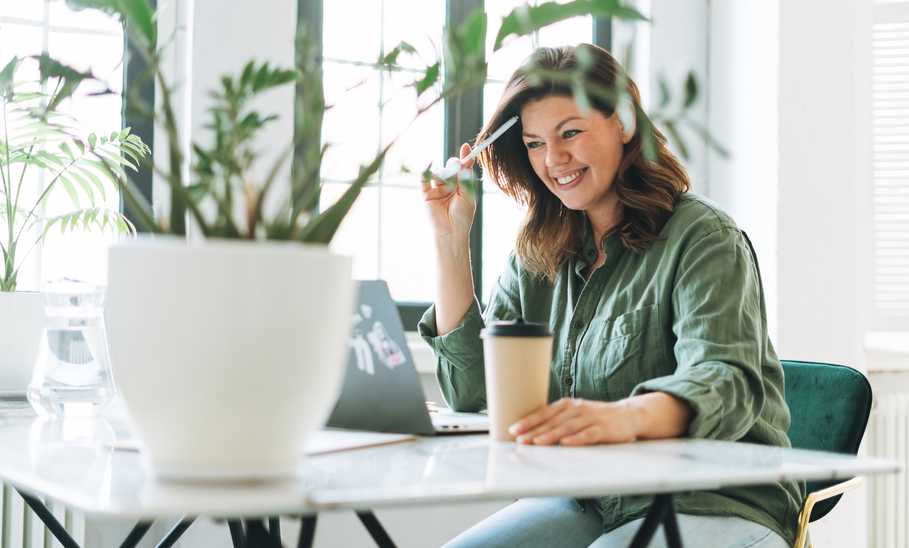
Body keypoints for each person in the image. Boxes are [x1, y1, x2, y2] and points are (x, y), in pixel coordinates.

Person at [418, 43, 802, 548]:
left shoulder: (704, 238)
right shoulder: (539, 251)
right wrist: (451, 241)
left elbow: (726, 383)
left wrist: (623, 417)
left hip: (714, 498)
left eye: (570, 133)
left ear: (622, 122)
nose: (553, 160)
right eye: (534, 144)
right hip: (589, 497)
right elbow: (475, 394)